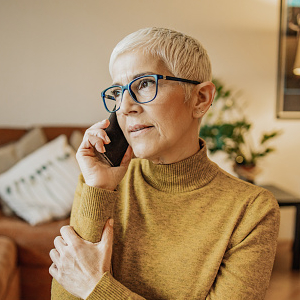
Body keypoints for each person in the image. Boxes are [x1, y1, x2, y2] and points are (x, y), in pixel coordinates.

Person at [49, 27, 280, 300]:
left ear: (200, 99)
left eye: (144, 84)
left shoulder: (252, 211)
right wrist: (98, 189)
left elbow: (84, 285)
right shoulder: (97, 184)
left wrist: (96, 288)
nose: (124, 106)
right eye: (118, 91)